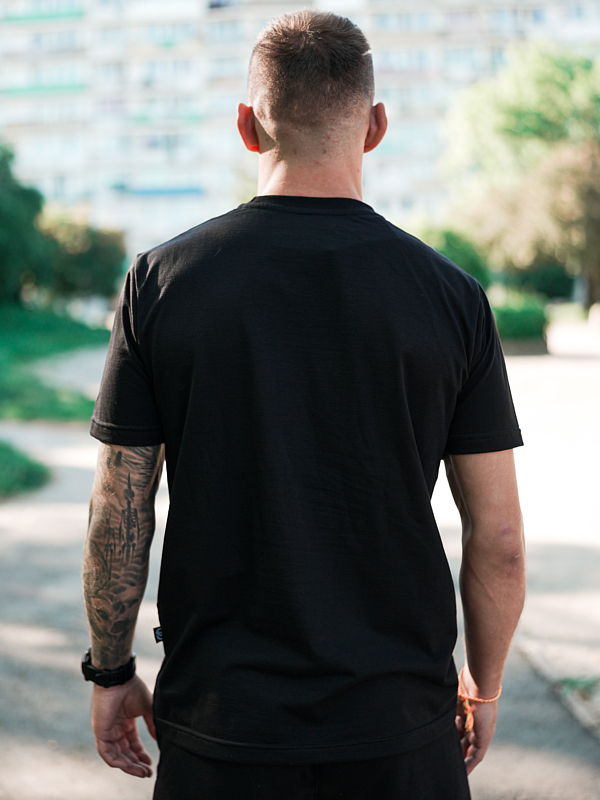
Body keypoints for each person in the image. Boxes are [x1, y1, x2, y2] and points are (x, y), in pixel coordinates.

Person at [82, 10, 526, 800]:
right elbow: (498, 539)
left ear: (247, 126)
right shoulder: (452, 298)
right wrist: (484, 689)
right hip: (401, 726)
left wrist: (111, 671)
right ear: (376, 126)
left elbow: (121, 508)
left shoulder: (160, 283)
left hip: (222, 727)